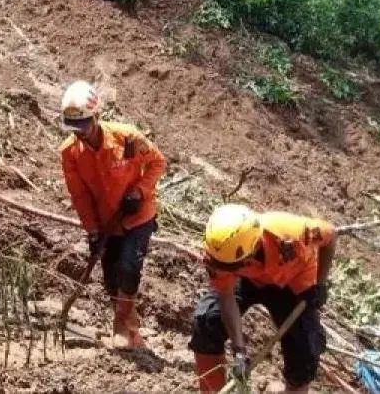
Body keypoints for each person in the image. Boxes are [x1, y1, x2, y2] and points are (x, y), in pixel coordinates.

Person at [58, 80, 166, 349]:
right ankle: (132, 329)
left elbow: (157, 162)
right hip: (107, 222)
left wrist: (139, 192)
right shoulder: (70, 153)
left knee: (129, 267)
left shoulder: (127, 138)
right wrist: (93, 230)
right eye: (75, 128)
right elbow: (80, 195)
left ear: (97, 116)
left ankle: (123, 327)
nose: (80, 133)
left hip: (138, 216)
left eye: (85, 124)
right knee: (111, 277)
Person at [191, 204, 337, 393]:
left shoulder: (294, 233)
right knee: (207, 320)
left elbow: (331, 235)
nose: (222, 270)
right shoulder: (219, 257)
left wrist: (320, 283)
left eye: (229, 267)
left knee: (305, 350)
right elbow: (226, 298)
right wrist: (239, 351)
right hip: (249, 278)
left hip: (294, 283)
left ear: (253, 248)